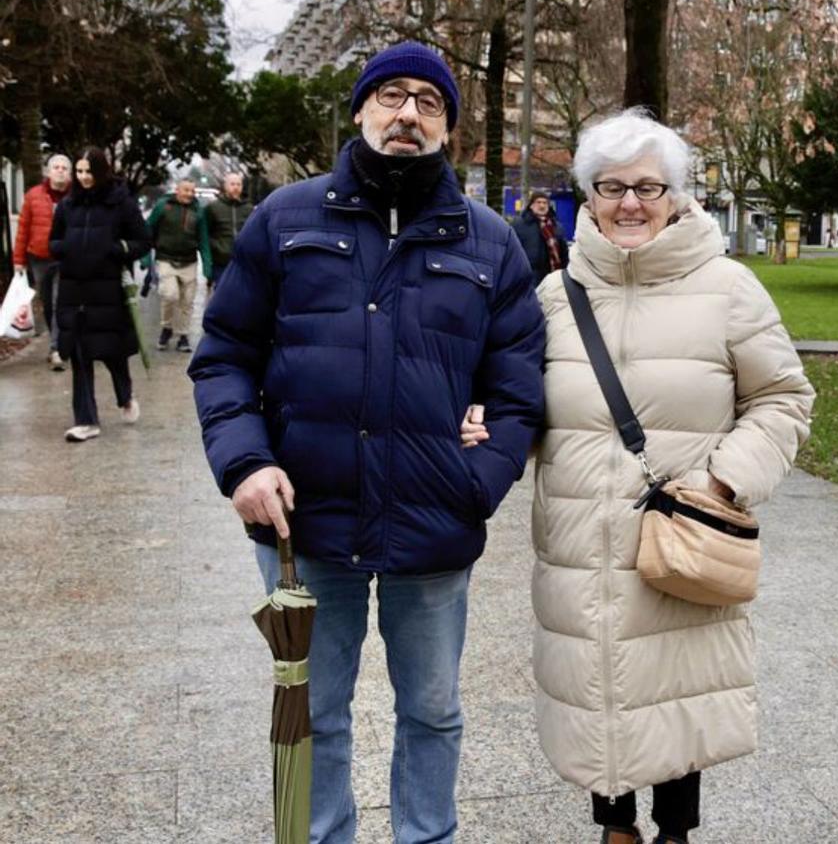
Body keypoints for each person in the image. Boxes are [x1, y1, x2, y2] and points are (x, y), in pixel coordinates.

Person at [188, 41, 545, 844]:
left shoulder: (490, 243)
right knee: (313, 710)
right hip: (305, 522)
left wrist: (474, 480)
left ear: (448, 126)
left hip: (434, 524)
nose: (408, 113)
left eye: (428, 100)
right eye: (390, 95)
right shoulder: (286, 218)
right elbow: (223, 359)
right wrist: (245, 462)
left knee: (433, 710)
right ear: (359, 111)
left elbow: (522, 392)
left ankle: (427, 836)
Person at [493, 109, 813, 843]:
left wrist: (724, 483)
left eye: (648, 185)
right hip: (578, 539)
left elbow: (785, 397)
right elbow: (523, 406)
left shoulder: (728, 288)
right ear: (588, 195)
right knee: (599, 683)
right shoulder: (554, 298)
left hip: (681, 533)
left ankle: (673, 832)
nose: (629, 202)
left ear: (677, 194)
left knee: (675, 686)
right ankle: (615, 826)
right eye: (610, 187)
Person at [49, 147, 150, 443]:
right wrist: (62, 249)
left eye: (88, 172)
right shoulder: (68, 206)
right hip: (74, 291)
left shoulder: (121, 203)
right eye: (78, 172)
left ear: (101, 171)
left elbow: (143, 240)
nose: (83, 177)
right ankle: (86, 420)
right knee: (80, 355)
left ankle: (125, 396)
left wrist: (117, 249)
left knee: (111, 352)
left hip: (108, 293)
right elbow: (53, 239)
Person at [14, 153, 71, 370]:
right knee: (47, 303)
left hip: (65, 258)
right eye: (55, 167)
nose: (60, 171)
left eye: (64, 168)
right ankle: (54, 342)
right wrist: (18, 260)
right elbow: (23, 229)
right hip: (38, 258)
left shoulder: (76, 197)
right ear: (47, 171)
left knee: (59, 303)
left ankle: (56, 349)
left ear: (69, 173)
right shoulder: (33, 196)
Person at [145, 177, 211, 352]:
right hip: (166, 259)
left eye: (192, 191)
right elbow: (148, 229)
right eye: (186, 190)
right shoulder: (163, 206)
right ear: (178, 190)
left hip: (189, 261)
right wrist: (145, 257)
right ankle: (166, 327)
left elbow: (203, 239)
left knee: (187, 301)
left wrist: (207, 265)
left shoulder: (198, 211)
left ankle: (183, 336)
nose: (189, 194)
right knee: (170, 294)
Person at [204, 171, 251, 291]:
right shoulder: (213, 208)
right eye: (232, 184)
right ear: (225, 186)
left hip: (243, 263)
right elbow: (205, 233)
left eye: (239, 184)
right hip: (221, 262)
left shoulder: (249, 209)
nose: (236, 187)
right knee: (222, 294)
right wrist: (215, 247)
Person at [513, 189, 569, 284]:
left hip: (552, 277)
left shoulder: (556, 226)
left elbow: (564, 253)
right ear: (531, 205)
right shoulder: (519, 225)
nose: (542, 206)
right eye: (538, 202)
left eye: (545, 203)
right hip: (527, 277)